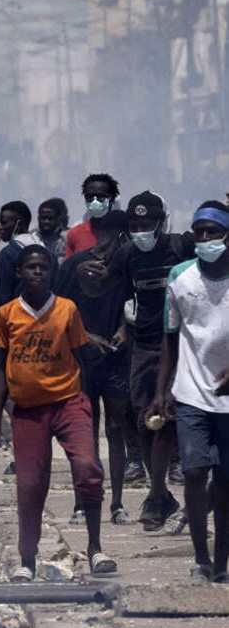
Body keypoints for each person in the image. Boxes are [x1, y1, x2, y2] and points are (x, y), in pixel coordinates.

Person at [0, 245, 117, 582]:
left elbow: (82, 354)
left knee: (88, 468)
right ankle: (27, 559)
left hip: (68, 401)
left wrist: (93, 402)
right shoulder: (7, 314)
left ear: (51, 272)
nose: (38, 272)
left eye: (44, 267)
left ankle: (95, 547)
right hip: (28, 411)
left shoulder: (66, 310)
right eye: (31, 267)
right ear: (19, 273)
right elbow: (1, 366)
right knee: (30, 485)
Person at [78, 191, 192, 531]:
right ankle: (160, 495)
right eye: (135, 224)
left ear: (161, 222)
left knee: (166, 419)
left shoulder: (180, 247)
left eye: (147, 223)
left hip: (181, 343)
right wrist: (89, 278)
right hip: (143, 344)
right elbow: (105, 285)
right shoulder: (128, 254)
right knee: (145, 422)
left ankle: (158, 497)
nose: (141, 229)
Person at [149, 201, 229, 583]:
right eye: (198, 232)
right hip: (192, 392)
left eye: (211, 232)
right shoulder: (180, 278)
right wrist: (162, 390)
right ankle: (202, 559)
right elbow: (170, 339)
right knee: (195, 472)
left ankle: (222, 564)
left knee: (226, 482)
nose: (204, 238)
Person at [54, 210, 133, 526]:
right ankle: (81, 502)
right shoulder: (74, 266)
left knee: (116, 430)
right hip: (81, 359)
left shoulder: (125, 268)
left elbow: (133, 303)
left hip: (114, 358)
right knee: (85, 431)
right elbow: (57, 310)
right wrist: (86, 335)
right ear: (120, 235)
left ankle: (116, 503)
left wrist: (125, 330)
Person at [0, 201, 45, 308]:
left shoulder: (8, 253)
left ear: (18, 224)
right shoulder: (46, 251)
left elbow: (4, 296)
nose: (0, 227)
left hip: (18, 317)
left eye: (4, 222)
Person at [65, 173, 121, 258]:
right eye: (89, 197)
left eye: (100, 197)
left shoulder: (124, 232)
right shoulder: (74, 233)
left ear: (111, 198)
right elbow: (68, 268)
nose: (94, 201)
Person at [37, 198, 69, 265]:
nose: (46, 221)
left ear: (59, 219)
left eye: (50, 218)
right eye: (43, 218)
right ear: (38, 219)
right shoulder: (32, 238)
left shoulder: (68, 237)